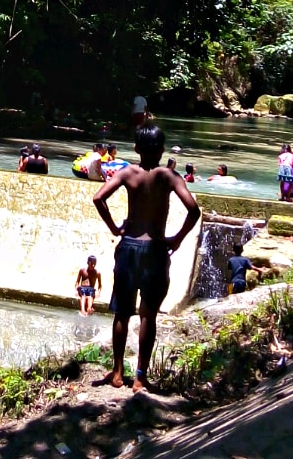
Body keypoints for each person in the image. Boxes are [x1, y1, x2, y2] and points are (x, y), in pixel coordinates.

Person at [93, 124, 200, 392]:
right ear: (163, 150)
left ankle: (117, 372)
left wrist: (114, 228)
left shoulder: (128, 172)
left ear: (136, 148)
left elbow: (98, 198)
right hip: (155, 250)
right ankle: (140, 377)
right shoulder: (169, 176)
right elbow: (194, 210)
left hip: (128, 247)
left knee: (122, 314)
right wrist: (177, 238)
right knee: (148, 316)